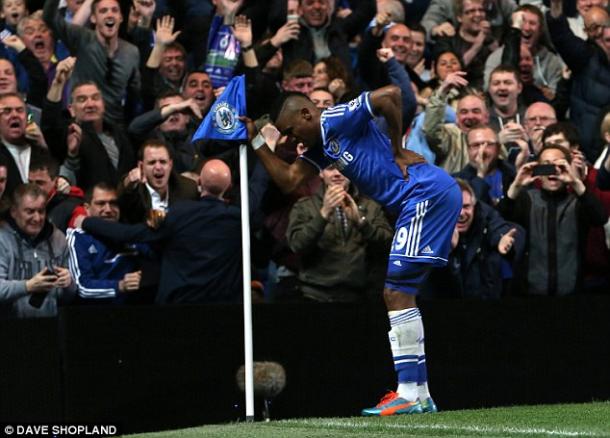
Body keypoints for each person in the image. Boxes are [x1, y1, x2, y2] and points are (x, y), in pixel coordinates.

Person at [247, 85, 461, 415]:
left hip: (424, 193)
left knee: (395, 293)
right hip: (417, 199)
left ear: (307, 114)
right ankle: (419, 392)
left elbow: (390, 95)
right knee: (400, 293)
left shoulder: (333, 118)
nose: (291, 140)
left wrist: (398, 148)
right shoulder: (320, 146)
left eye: (291, 131)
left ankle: (409, 393)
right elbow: (289, 180)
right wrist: (257, 142)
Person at [81, 158, 268, 304]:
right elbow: (257, 186)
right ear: (228, 188)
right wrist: (265, 144)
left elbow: (129, 234)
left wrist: (87, 221)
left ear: (199, 183)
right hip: (224, 309)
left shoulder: (178, 214)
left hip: (179, 307)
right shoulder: (239, 217)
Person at [499, 144, 607, 295]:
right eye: (546, 165)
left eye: (559, 165)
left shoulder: (578, 202)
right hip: (531, 294)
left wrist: (575, 181)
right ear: (537, 169)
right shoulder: (527, 199)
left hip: (572, 294)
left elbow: (600, 217)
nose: (553, 170)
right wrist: (516, 185)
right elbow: (501, 218)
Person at [286, 164, 393, 302]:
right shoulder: (304, 206)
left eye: (342, 168)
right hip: (315, 295)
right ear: (321, 173)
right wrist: (323, 214)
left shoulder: (371, 206)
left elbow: (389, 245)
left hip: (360, 296)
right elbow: (297, 245)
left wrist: (361, 222)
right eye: (330, 168)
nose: (337, 173)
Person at [422, 178, 524, 299]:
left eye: (466, 206)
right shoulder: (429, 232)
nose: (460, 213)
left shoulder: (485, 218)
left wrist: (501, 239)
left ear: (474, 206)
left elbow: (504, 230)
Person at [43, 0, 141, 124]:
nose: (109, 14)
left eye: (114, 10)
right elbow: (49, 18)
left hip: (113, 127)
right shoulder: (81, 38)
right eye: (103, 11)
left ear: (121, 17)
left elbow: (134, 95)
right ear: (93, 18)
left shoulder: (131, 52)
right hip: (80, 123)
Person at [0, 183, 75, 318]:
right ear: (14, 212)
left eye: (41, 211)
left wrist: (68, 284)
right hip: (8, 330)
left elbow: (67, 298)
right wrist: (28, 286)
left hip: (49, 327)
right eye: (30, 211)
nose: (37, 218)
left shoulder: (58, 239)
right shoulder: (2, 239)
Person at [67, 182, 148, 303]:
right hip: (94, 315)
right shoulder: (78, 238)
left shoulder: (131, 234)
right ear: (87, 209)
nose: (108, 209)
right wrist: (119, 285)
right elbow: (82, 287)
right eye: (101, 204)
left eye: (113, 203)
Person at [118, 139, 199, 224]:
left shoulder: (188, 188)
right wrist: (130, 183)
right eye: (152, 162)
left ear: (170, 165)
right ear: (141, 166)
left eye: (163, 162)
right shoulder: (134, 188)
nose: (158, 167)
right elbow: (123, 200)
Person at [0, 92, 48, 198]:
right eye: (7, 111)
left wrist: (43, 145)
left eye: (19, 110)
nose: (14, 115)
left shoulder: (39, 148)